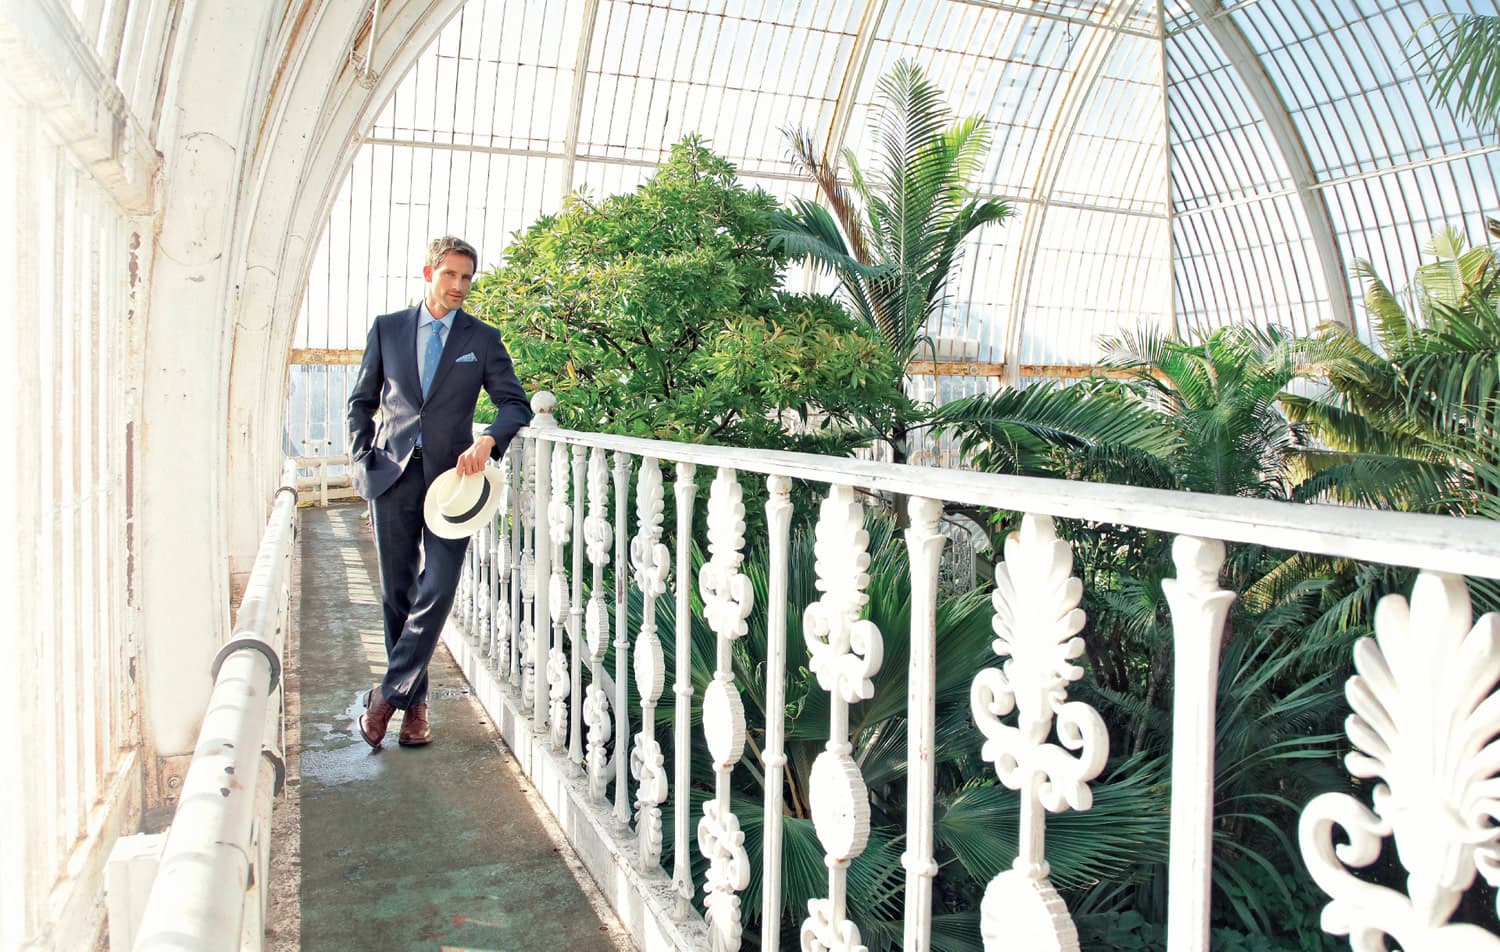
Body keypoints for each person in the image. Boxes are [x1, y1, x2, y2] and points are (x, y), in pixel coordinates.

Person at [346, 235, 532, 748]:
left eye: (467, 278)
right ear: (428, 273)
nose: (459, 287)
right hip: (392, 475)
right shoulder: (388, 330)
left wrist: (490, 438)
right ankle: (416, 709)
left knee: (439, 586)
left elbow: (515, 404)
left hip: (455, 483)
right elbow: (361, 402)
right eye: (450, 275)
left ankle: (386, 697)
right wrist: (363, 463)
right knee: (397, 594)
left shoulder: (483, 338)